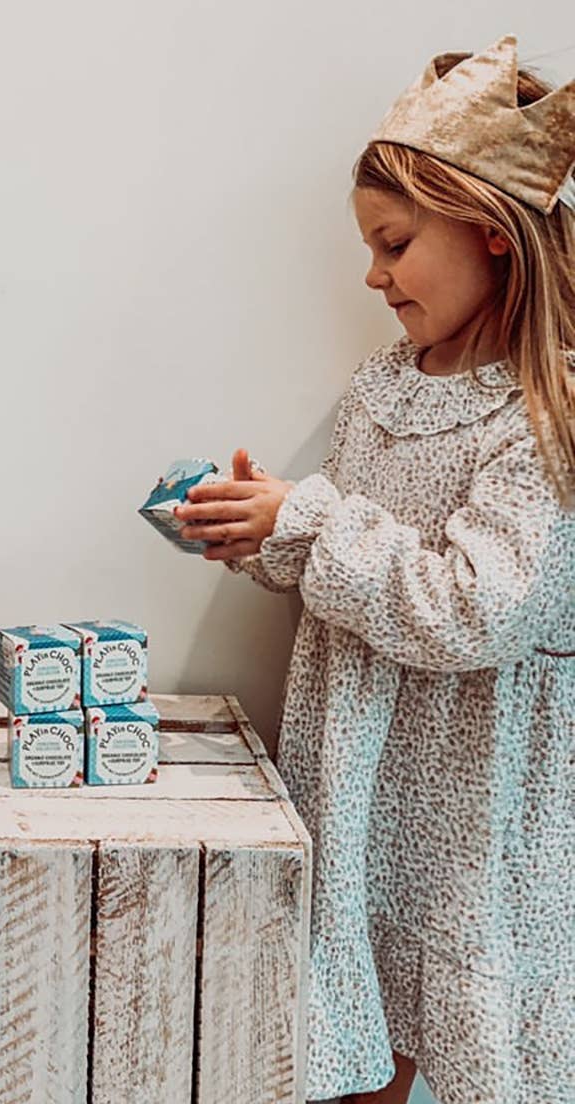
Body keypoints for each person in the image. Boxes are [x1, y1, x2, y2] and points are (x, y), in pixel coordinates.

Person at [175, 35, 574, 1104]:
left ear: (491, 236)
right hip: (357, 779)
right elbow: (359, 575)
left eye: (395, 243)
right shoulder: (381, 387)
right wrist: (265, 537)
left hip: (471, 801)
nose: (372, 273)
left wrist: (308, 520)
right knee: (358, 1040)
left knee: (459, 1029)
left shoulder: (543, 416)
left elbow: (472, 609)